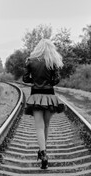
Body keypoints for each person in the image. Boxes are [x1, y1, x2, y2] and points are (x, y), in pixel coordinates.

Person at [22, 39, 65, 170]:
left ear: (38, 48)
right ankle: (43, 152)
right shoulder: (52, 61)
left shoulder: (30, 61)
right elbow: (56, 80)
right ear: (50, 49)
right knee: (46, 125)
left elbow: (25, 79)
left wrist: (34, 79)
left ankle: (43, 154)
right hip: (49, 97)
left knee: (39, 127)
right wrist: (49, 82)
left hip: (35, 96)